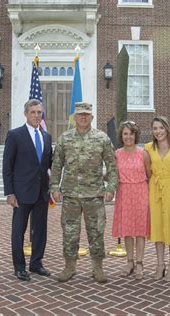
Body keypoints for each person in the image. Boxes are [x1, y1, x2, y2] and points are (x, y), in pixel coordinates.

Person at [50, 102, 118, 283]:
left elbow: (112, 165)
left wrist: (111, 187)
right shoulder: (64, 139)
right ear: (74, 117)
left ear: (92, 117)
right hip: (71, 195)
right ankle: (69, 267)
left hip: (94, 194)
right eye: (80, 114)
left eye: (86, 115)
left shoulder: (102, 138)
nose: (83, 117)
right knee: (70, 232)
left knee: (96, 232)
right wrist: (54, 187)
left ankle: (97, 268)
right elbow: (56, 166)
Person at [2, 99, 52, 281]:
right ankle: (19, 267)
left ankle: (36, 263)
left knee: (40, 230)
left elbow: (49, 164)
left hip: (41, 192)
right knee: (18, 231)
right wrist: (10, 192)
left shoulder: (47, 136)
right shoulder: (15, 135)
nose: (37, 115)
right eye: (33, 112)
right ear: (26, 114)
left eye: (39, 112)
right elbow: (7, 166)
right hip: (21, 193)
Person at [144, 116, 170, 282]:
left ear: (167, 129)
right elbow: (148, 172)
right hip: (155, 189)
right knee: (158, 228)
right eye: (155, 128)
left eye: (161, 128)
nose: (158, 131)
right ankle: (160, 264)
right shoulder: (148, 148)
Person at [112, 121, 150, 280]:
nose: (128, 137)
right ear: (121, 136)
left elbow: (149, 174)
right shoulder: (117, 153)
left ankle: (140, 262)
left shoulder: (143, 153)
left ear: (136, 135)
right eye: (125, 134)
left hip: (141, 192)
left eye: (131, 133)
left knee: (140, 230)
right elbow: (114, 175)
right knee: (127, 230)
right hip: (124, 192)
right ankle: (129, 262)